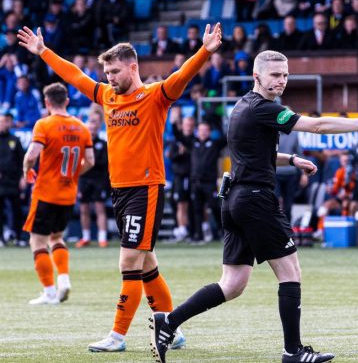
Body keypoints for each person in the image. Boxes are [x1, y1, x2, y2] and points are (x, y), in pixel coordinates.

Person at [149, 49, 358, 363]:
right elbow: (317, 126)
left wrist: (292, 159)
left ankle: (169, 321)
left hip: (234, 200)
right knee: (290, 272)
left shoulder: (242, 106)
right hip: (256, 200)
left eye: (285, 75)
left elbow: (253, 153)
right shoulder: (266, 108)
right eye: (275, 75)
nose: (281, 81)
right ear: (257, 76)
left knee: (233, 283)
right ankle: (293, 352)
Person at [17, 22, 223, 352]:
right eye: (107, 72)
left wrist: (205, 51)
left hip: (146, 188)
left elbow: (181, 77)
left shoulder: (155, 96)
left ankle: (117, 336)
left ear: (133, 67)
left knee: (128, 263)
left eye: (115, 71)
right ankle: (172, 328)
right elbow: (74, 76)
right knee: (147, 264)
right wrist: (43, 52)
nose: (110, 78)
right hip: (121, 191)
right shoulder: (107, 96)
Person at [22, 82, 95, 304]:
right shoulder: (82, 127)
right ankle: (63, 279)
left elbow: (32, 153)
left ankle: (50, 291)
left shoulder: (44, 125)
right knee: (57, 237)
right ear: (67, 101)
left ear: (46, 103)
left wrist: (27, 170)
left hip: (45, 192)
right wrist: (73, 174)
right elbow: (90, 161)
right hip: (68, 193)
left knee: (37, 241)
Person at [76, 109, 110, 248]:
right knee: (84, 208)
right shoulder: (80, 144)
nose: (92, 131)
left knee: (99, 208)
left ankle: (102, 237)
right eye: (89, 128)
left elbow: (102, 162)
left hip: (99, 180)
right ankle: (86, 237)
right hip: (84, 179)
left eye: (94, 128)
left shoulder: (102, 144)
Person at [167, 109, 194, 242]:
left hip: (189, 177)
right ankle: (181, 229)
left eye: (190, 125)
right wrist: (180, 154)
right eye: (186, 124)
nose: (188, 127)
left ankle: (186, 229)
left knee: (186, 204)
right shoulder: (176, 141)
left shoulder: (193, 140)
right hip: (178, 177)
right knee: (178, 203)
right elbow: (171, 156)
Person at [0, 113, 25, 246]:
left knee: (17, 210)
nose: (2, 124)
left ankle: (18, 237)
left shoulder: (15, 140)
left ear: (9, 123)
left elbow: (23, 161)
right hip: (0, 182)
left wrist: (23, 177)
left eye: (5, 122)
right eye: (1, 122)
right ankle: (1, 239)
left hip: (14, 181)